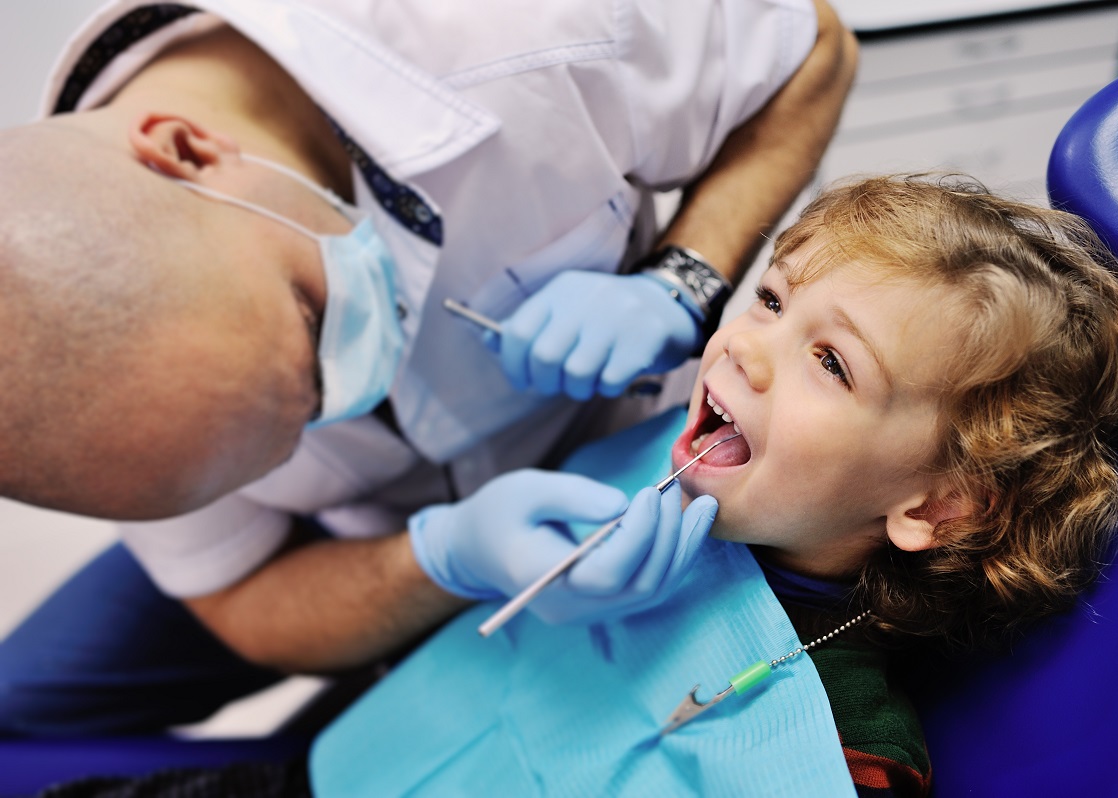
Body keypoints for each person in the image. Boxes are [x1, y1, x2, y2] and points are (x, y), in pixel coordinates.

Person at [24, 174, 1118, 797]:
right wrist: (454, 550)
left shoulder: (845, 754)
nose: (744, 351)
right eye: (771, 300)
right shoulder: (649, 457)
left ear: (934, 506)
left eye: (831, 361)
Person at [0, 0, 858, 736]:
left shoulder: (528, 32)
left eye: (309, 315)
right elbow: (240, 596)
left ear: (186, 150)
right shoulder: (88, 410)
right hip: (368, 534)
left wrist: (684, 276)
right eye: (288, 436)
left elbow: (815, 47)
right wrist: (442, 560)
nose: (356, 395)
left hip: (615, 436)